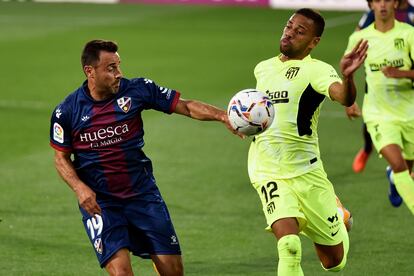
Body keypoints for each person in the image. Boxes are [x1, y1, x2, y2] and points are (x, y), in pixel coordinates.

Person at [49, 39, 236, 275]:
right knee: (121, 272)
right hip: (101, 202)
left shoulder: (137, 90)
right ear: (90, 71)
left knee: (173, 271)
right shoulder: (67, 111)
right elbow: (60, 158)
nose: (119, 73)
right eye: (111, 68)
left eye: (118, 66)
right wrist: (79, 188)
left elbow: (186, 107)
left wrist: (223, 116)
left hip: (142, 194)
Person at [247, 8, 367, 275]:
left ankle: (337, 213)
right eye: (289, 26)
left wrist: (348, 77)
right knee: (289, 246)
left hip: (307, 172)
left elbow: (344, 97)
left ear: (314, 42)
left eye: (300, 32)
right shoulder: (263, 68)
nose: (290, 33)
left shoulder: (317, 70)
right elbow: (259, 113)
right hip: (267, 170)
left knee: (334, 263)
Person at [345, 0, 414, 214]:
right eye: (377, 0)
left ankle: (394, 179)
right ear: (371, 4)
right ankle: (376, 158)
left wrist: (400, 73)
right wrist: (349, 101)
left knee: (407, 169)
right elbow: (348, 69)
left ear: (396, 3)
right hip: (378, 114)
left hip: (409, 111)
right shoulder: (359, 37)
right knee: (399, 163)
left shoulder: (409, 34)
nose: (382, 4)